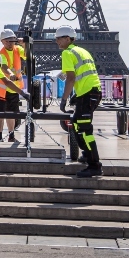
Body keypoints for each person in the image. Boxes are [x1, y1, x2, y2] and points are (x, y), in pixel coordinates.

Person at [55, 26, 104, 177]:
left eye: (59, 38)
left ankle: (94, 165)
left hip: (87, 94)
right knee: (76, 123)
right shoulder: (82, 51)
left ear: (68, 39)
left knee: (84, 130)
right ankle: (87, 154)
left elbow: (70, 78)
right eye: (56, 38)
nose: (57, 41)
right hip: (92, 92)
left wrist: (64, 99)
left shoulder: (67, 53)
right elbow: (84, 74)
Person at [0, 29, 27, 143]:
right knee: (1, 113)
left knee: (12, 113)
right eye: (7, 41)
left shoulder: (18, 49)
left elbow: (27, 55)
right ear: (2, 41)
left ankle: (11, 136)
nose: (10, 43)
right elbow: (4, 66)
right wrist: (11, 74)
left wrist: (25, 44)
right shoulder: (1, 53)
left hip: (14, 88)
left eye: (12, 40)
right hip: (2, 88)